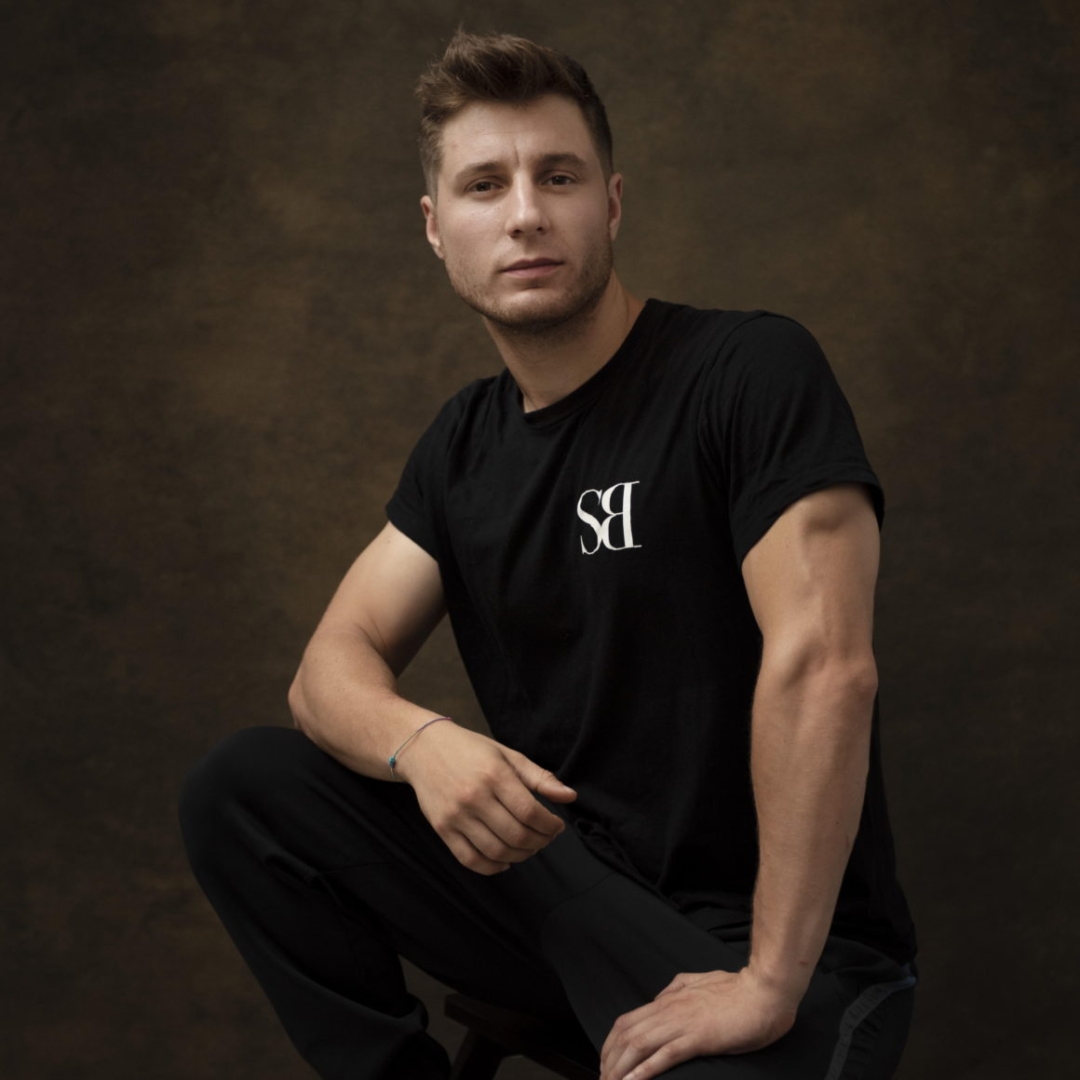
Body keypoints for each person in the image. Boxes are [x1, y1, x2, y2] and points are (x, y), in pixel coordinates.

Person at [179, 29, 917, 1080]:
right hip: (565, 901)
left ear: (610, 204)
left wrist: (767, 982)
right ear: (436, 228)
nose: (525, 213)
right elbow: (326, 674)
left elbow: (826, 667)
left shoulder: (748, 371)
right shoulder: (462, 448)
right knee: (244, 789)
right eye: (485, 185)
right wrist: (424, 744)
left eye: (557, 177)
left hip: (776, 939)